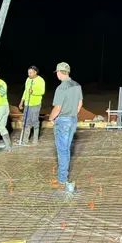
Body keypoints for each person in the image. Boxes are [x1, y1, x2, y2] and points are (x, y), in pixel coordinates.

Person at [49, 62, 83, 193]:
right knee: (67, 149)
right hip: (73, 120)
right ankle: (62, 176)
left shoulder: (61, 88)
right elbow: (80, 103)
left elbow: (57, 108)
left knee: (62, 150)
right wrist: (74, 114)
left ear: (59, 72)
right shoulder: (77, 85)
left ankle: (62, 179)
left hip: (63, 121)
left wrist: (51, 118)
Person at [19, 65, 46, 146]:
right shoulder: (28, 79)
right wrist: (21, 102)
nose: (29, 74)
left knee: (34, 121)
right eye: (28, 73)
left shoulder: (40, 80)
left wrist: (33, 92)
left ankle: (35, 139)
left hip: (35, 104)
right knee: (26, 121)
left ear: (35, 72)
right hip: (27, 104)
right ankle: (25, 139)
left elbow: (42, 92)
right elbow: (25, 91)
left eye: (30, 73)